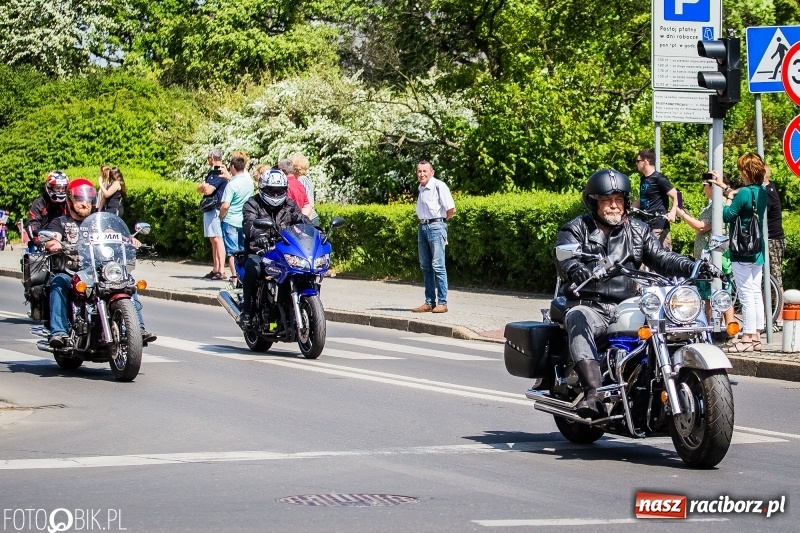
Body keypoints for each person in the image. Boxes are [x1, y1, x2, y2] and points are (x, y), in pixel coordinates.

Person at [556, 169, 696, 418]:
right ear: (594, 202)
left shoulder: (638, 230)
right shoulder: (577, 228)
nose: (614, 206)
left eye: (618, 200)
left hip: (629, 304)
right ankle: (594, 394)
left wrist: (694, 265)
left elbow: (662, 257)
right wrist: (575, 268)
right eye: (607, 201)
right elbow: (566, 258)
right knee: (577, 317)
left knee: (668, 325)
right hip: (591, 305)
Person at [42, 179, 156, 348]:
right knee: (58, 281)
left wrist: (130, 239)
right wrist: (53, 243)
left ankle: (138, 329)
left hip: (100, 270)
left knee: (128, 281)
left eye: (88, 200)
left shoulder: (98, 221)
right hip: (72, 272)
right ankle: (59, 332)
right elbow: (53, 238)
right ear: (70, 201)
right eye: (80, 200)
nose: (84, 204)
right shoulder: (61, 222)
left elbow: (113, 233)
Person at [707, 154, 768, 353]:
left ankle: (747, 337)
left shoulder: (742, 193)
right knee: (755, 291)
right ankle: (757, 335)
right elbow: (742, 200)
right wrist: (724, 187)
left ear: (746, 172)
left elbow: (727, 215)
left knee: (745, 294)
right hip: (756, 248)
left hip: (741, 249)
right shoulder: (761, 191)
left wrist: (727, 198)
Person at [239, 169, 309, 327]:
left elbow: (301, 219)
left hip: (282, 250)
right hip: (258, 249)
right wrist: (258, 236)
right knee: (253, 268)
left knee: (302, 271)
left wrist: (317, 232)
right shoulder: (252, 203)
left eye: (279, 190)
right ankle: (248, 311)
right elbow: (248, 223)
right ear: (263, 189)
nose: (276, 195)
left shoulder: (288, 205)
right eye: (272, 190)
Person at [676, 174, 735, 328]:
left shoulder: (717, 205)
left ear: (711, 186)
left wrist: (682, 215)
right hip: (712, 255)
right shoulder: (714, 204)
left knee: (712, 294)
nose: (703, 188)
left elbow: (702, 226)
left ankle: (718, 328)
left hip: (712, 257)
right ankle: (720, 327)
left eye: (705, 185)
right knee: (715, 294)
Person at [412, 160, 456, 314]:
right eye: (419, 171)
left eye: (425, 171)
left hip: (436, 226)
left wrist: (440, 225)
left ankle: (442, 302)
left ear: (432, 172)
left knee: (438, 265)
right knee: (425, 266)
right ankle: (429, 302)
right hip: (422, 226)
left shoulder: (439, 186)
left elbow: (451, 209)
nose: (422, 174)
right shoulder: (421, 188)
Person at [632, 148, 679, 250]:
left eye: (638, 161)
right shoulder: (643, 179)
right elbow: (643, 198)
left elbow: (677, 195)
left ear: (645, 162)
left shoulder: (659, 178)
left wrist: (673, 212)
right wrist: (628, 209)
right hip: (645, 226)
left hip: (659, 227)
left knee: (661, 260)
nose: (636, 164)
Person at [218, 151, 253, 282]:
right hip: (244, 220)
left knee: (232, 252)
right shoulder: (249, 181)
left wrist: (221, 216)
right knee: (243, 250)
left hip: (231, 220)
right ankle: (245, 276)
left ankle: (234, 278)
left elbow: (225, 205)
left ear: (232, 167)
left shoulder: (231, 184)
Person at [196, 148, 228, 280]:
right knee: (212, 239)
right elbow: (199, 188)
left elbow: (208, 190)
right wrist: (202, 187)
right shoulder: (212, 172)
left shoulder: (220, 172)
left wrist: (203, 187)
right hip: (209, 208)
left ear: (212, 158)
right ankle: (215, 268)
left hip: (215, 207)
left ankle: (221, 270)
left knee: (217, 239)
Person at [763, 164, 786, 330]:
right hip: (767, 238)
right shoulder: (767, 189)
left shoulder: (768, 191)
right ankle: (768, 318)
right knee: (765, 280)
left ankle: (779, 319)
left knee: (775, 279)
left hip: (772, 239)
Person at [25, 171, 70, 252]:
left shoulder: (69, 203)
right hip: (42, 240)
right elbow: (32, 224)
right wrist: (39, 242)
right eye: (57, 188)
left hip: (64, 240)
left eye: (63, 188)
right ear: (50, 187)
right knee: (34, 255)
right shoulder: (39, 203)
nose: (60, 191)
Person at [289, 152, 320, 226]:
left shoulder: (302, 180)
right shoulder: (301, 179)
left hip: (309, 219)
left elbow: (310, 203)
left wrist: (303, 219)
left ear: (295, 168)